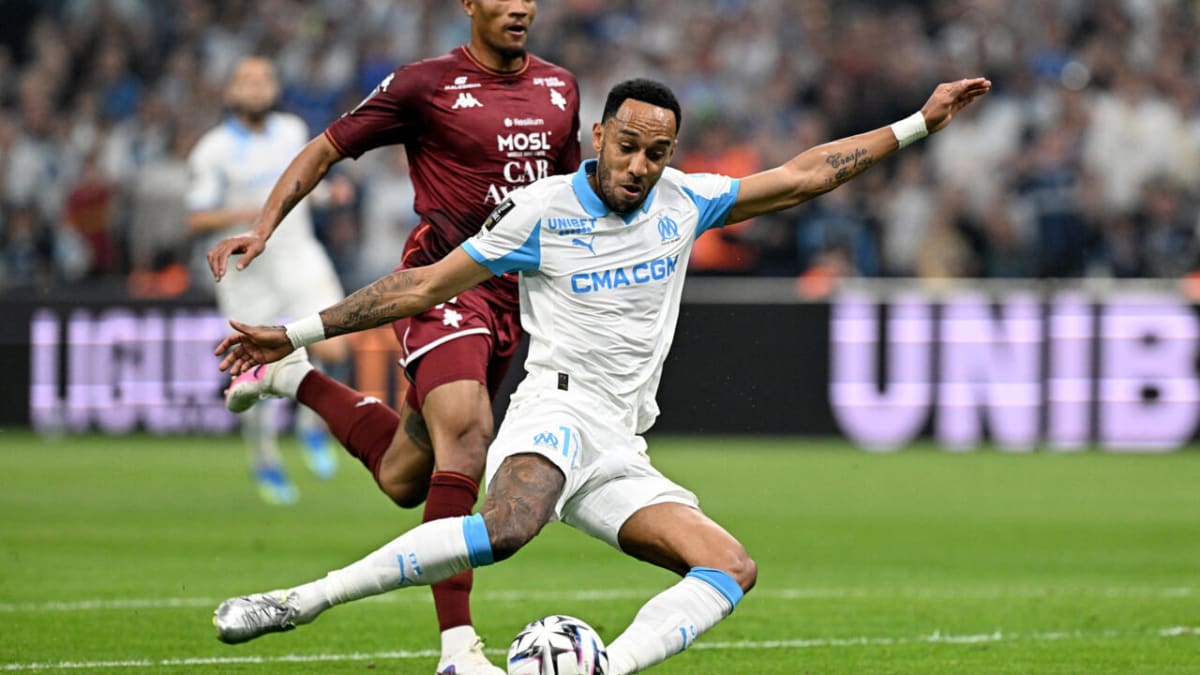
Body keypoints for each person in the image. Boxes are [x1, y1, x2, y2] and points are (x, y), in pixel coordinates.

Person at [209, 76, 990, 673]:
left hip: (621, 442)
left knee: (731, 568)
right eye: (627, 146)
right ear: (599, 134)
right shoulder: (542, 211)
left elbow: (808, 173)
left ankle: (602, 665)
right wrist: (291, 333)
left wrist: (920, 122)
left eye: (657, 153)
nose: (640, 166)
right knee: (506, 528)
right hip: (556, 409)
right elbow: (419, 285)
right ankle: (300, 599)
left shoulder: (686, 202)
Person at [205, 2, 581, 672]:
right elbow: (326, 147)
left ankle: (293, 376)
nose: (521, 6)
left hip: (513, 302)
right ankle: (458, 648)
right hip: (440, 285)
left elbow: (569, 197)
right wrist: (265, 227)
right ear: (469, 3)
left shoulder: (560, 88)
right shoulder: (424, 85)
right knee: (468, 435)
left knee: (406, 475)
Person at [187, 56, 348, 505]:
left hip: (297, 255)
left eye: (264, 79)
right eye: (246, 80)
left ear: (275, 88)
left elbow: (305, 185)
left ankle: (310, 426)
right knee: (252, 370)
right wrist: (255, 215)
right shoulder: (213, 149)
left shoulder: (294, 132)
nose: (256, 87)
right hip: (246, 272)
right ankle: (265, 460)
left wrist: (328, 194)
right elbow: (196, 217)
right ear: (231, 91)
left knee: (334, 343)